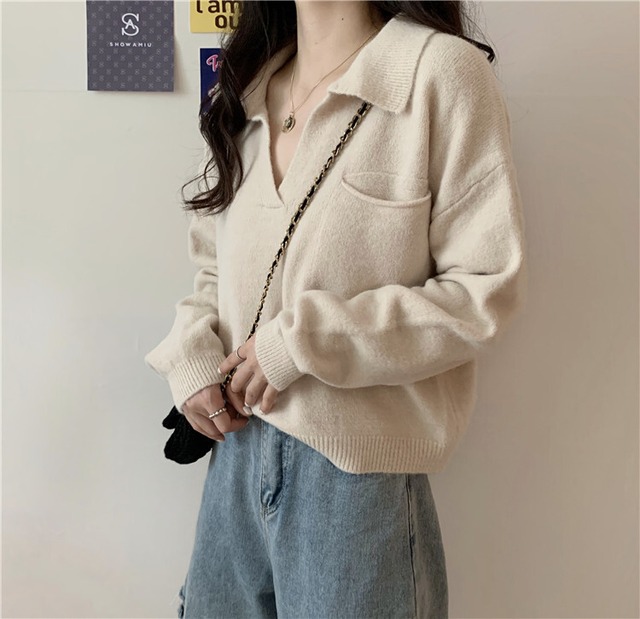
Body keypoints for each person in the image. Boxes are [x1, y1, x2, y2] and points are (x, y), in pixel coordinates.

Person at [144, 1, 527, 617]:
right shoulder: (246, 86)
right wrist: (193, 357)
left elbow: (483, 292)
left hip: (354, 482)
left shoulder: (437, 74)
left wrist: (301, 343)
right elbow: (215, 269)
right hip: (232, 466)